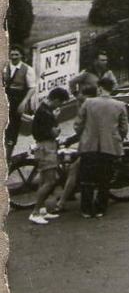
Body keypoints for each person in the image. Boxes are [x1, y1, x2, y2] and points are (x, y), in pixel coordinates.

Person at [74, 77, 129, 219]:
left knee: (86, 178)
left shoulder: (88, 102)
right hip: (109, 147)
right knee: (104, 179)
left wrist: (82, 135)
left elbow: (78, 124)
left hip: (89, 145)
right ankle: (100, 209)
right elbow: (124, 128)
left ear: (99, 88)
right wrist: (117, 139)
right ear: (111, 89)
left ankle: (86, 209)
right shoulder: (120, 105)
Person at [27, 87, 71, 225]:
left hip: (42, 146)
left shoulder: (43, 109)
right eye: (61, 102)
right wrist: (57, 125)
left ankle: (42, 209)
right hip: (47, 147)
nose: (60, 105)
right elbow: (54, 132)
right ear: (56, 100)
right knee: (50, 181)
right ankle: (35, 212)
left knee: (43, 180)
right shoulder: (47, 113)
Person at [6, 47, 35, 154]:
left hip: (16, 101)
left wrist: (24, 102)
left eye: (16, 55)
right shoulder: (4, 66)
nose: (13, 57)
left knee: (12, 128)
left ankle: (8, 154)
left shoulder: (27, 69)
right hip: (5, 100)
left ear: (21, 55)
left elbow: (32, 88)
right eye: (12, 54)